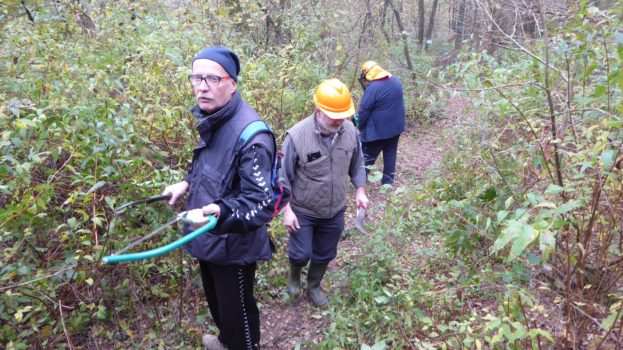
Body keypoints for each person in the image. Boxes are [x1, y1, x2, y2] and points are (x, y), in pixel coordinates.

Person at [162, 46, 277, 350]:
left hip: (234, 245)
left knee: (238, 313)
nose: (202, 86)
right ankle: (226, 341)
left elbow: (261, 203)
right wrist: (185, 184)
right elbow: (211, 167)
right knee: (218, 306)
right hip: (208, 236)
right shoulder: (214, 117)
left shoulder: (252, 136)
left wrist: (220, 212)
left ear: (232, 83)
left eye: (213, 79)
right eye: (196, 78)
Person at [281, 78, 369, 307]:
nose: (340, 120)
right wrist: (286, 210)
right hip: (303, 209)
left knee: (325, 252)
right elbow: (282, 177)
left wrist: (360, 191)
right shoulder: (297, 136)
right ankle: (294, 276)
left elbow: (357, 163)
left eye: (344, 115)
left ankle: (314, 285)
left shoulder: (349, 131)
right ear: (318, 111)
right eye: (334, 116)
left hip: (335, 208)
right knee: (301, 254)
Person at [357, 61, 406, 185]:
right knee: (390, 154)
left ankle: (360, 183)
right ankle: (388, 184)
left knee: (366, 158)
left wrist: (359, 127)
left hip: (377, 131)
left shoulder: (373, 88)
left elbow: (364, 110)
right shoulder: (395, 80)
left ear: (368, 74)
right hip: (395, 128)